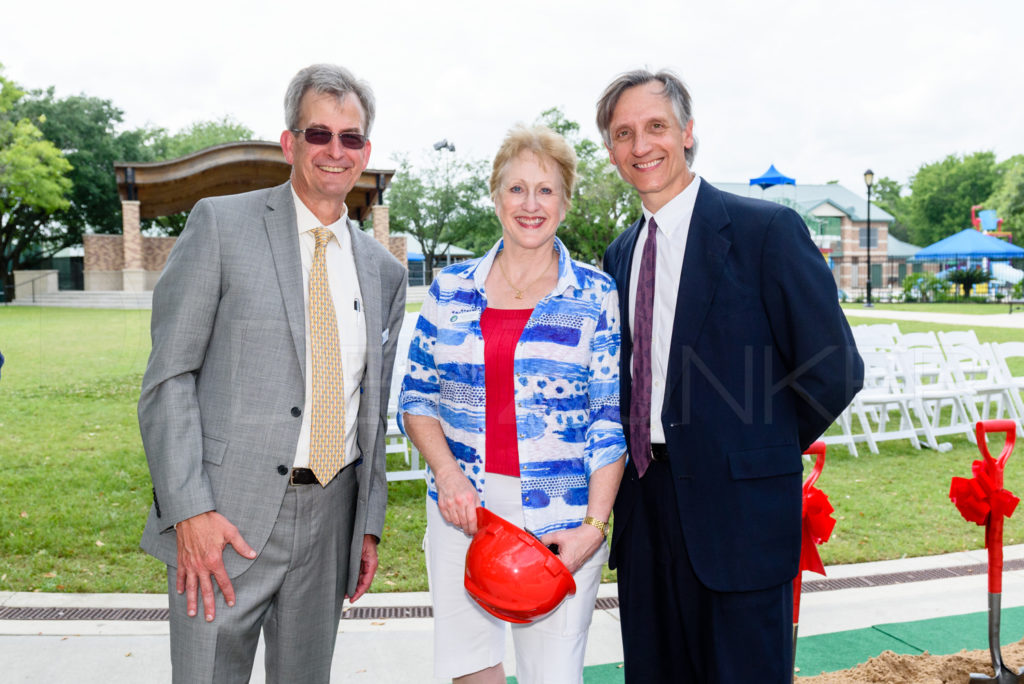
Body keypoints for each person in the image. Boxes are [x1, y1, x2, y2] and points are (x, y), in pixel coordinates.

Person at [138, 63, 407, 683]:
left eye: (351, 138)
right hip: (222, 524)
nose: (335, 151)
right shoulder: (220, 225)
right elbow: (168, 379)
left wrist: (366, 527)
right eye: (319, 134)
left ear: (366, 150)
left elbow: (372, 413)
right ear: (290, 142)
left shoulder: (383, 271)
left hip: (330, 522)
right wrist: (190, 511)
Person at [598, 69, 864, 682]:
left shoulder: (764, 231)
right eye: (624, 133)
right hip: (645, 516)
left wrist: (754, 447)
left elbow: (833, 366)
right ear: (611, 150)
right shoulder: (619, 253)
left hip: (740, 513)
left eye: (656, 127)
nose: (642, 146)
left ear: (688, 133)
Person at [399, 124, 626, 684]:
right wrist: (447, 475)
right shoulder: (449, 289)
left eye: (546, 190)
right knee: (470, 666)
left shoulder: (595, 295)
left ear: (566, 202)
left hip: (559, 517)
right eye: (517, 188)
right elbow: (416, 395)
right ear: (496, 196)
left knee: (552, 672)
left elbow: (606, 418)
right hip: (462, 511)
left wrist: (594, 526)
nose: (531, 204)